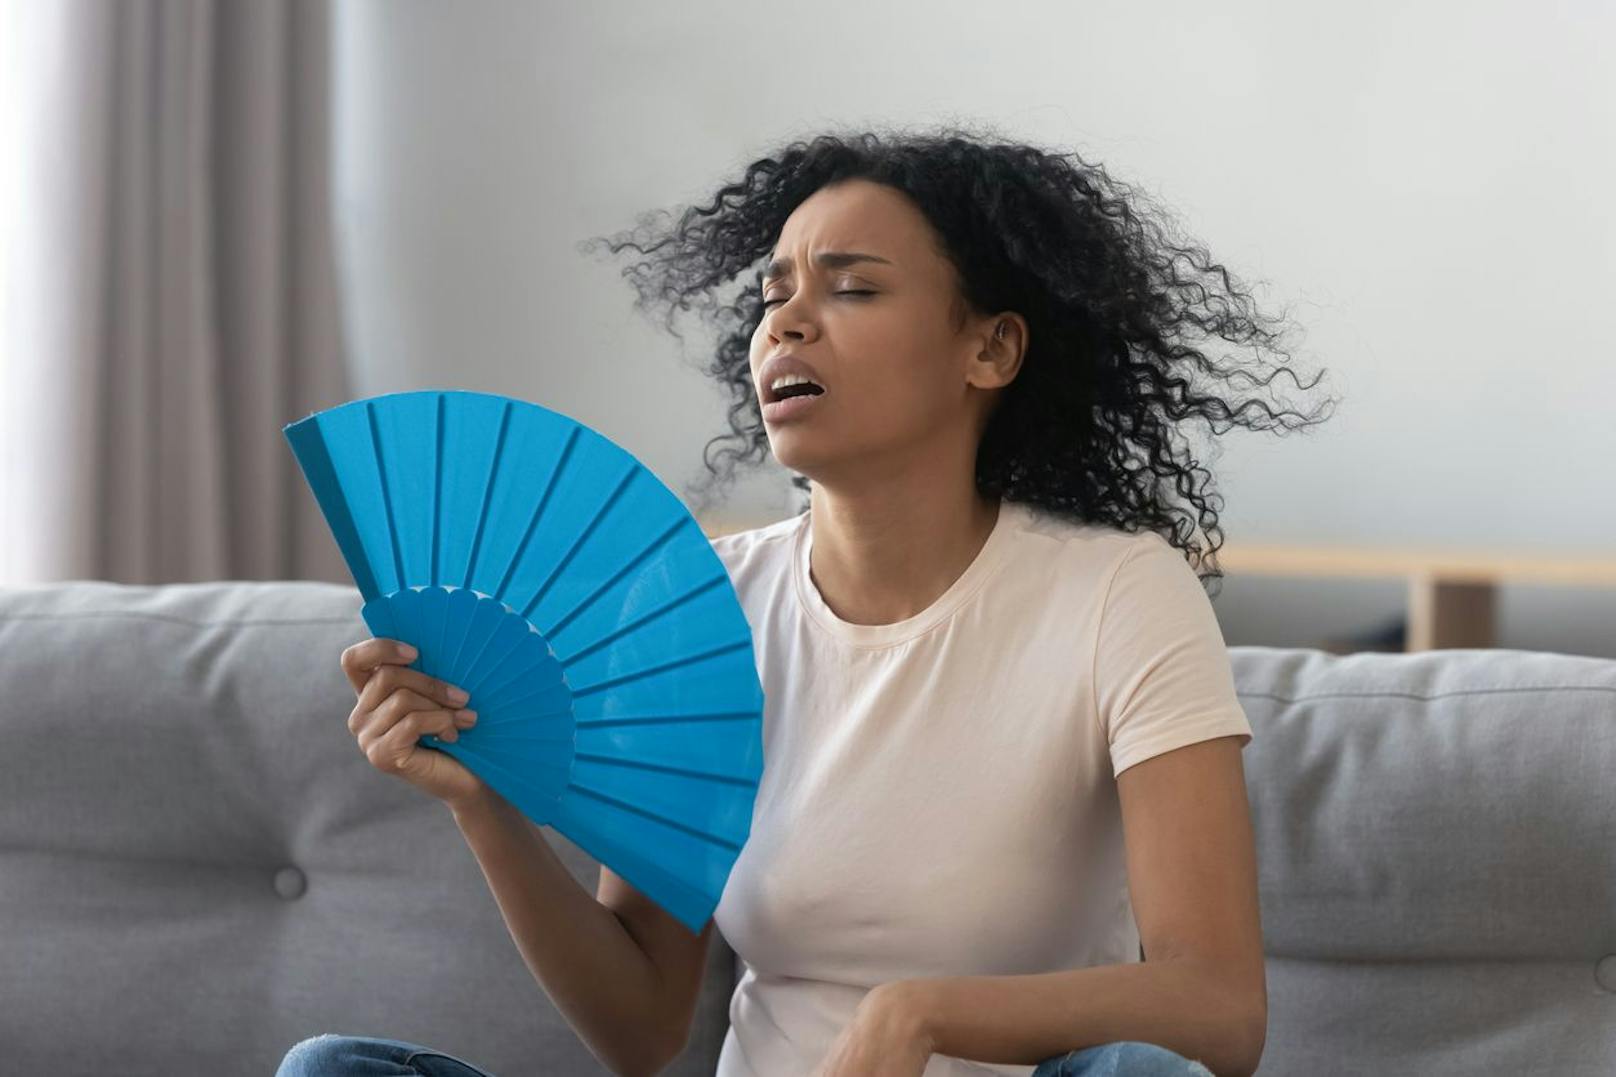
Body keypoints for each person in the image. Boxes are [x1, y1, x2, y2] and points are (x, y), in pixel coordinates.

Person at [281, 122, 1337, 1076]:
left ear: (990, 347)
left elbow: (1213, 1007)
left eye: (851, 288)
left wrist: (916, 1016)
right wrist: (485, 802)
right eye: (773, 294)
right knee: (334, 1073)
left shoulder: (1117, 593)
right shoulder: (698, 607)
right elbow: (643, 1026)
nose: (785, 324)